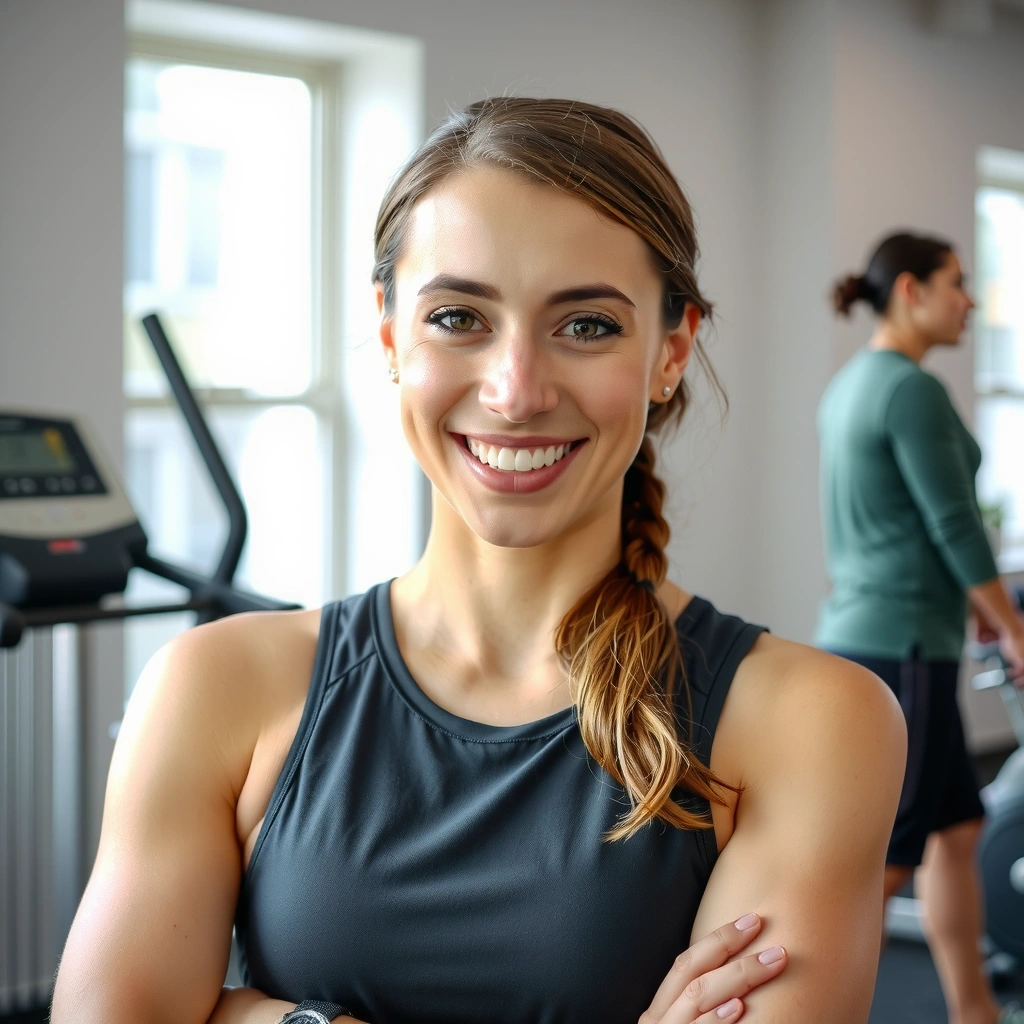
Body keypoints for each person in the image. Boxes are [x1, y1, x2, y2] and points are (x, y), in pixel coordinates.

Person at [51, 98, 904, 1024]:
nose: (515, 391)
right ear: (389, 334)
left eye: (586, 326)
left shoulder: (812, 721)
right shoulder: (213, 685)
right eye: (459, 316)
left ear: (672, 351)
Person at [817, 231, 1024, 1024]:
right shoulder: (910, 390)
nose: (969, 300)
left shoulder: (850, 386)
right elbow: (954, 523)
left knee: (959, 828)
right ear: (911, 290)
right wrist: (1009, 623)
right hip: (901, 646)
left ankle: (974, 1009)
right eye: (957, 283)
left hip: (884, 636)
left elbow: (905, 524)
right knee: (887, 860)